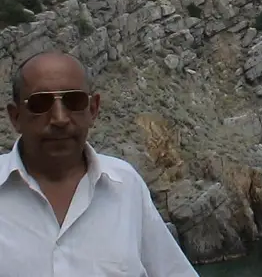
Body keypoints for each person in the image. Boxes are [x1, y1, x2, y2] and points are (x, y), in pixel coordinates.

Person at [0, 50, 200, 276]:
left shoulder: (125, 185)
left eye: (74, 101)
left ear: (93, 109)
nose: (59, 118)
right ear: (15, 117)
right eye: (40, 103)